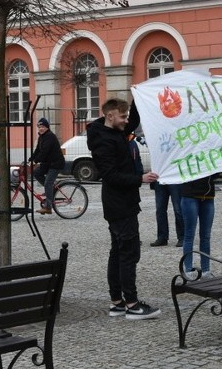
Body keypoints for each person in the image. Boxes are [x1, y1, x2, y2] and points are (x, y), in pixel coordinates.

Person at [87, 98, 160, 320]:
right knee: (128, 252)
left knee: (118, 251)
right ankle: (132, 304)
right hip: (119, 204)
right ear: (110, 116)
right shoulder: (104, 141)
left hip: (123, 202)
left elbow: (134, 119)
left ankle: (117, 303)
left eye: (126, 116)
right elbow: (110, 176)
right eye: (122, 117)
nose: (126, 121)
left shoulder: (114, 129)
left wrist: (137, 97)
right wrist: (140, 178)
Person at [180, 173, 218, 280]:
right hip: (190, 194)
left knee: (206, 236)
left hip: (208, 196)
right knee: (189, 235)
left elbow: (217, 172)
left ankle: (206, 270)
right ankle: (188, 270)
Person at [30, 117, 65, 214]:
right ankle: (51, 189)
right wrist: (30, 159)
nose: (41, 128)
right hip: (48, 164)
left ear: (47, 127)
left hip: (55, 164)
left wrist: (36, 161)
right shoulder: (42, 137)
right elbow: (38, 150)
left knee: (47, 183)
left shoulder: (50, 136)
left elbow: (45, 152)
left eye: (43, 126)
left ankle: (48, 207)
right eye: (39, 126)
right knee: (36, 173)